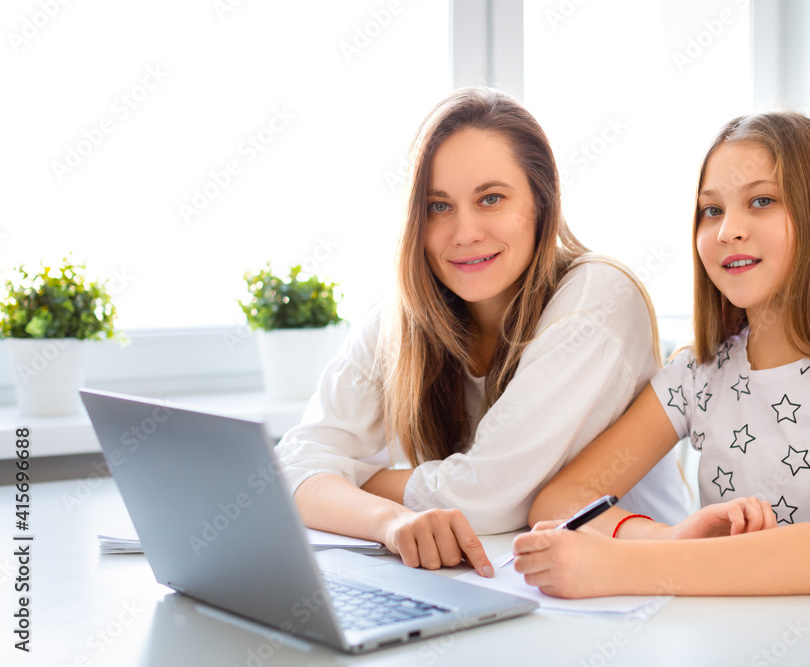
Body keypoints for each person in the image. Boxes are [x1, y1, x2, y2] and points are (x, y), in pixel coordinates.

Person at [514, 111, 810, 602]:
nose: (727, 230)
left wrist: (626, 566)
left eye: (761, 201)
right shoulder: (697, 373)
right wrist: (666, 537)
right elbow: (562, 498)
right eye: (711, 210)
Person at [275, 88, 688, 579]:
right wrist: (387, 521)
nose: (464, 232)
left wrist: (352, 480)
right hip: (500, 584)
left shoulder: (597, 297)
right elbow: (293, 465)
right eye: (438, 207)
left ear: (542, 202)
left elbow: (488, 497)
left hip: (640, 593)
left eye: (491, 199)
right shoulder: (402, 318)